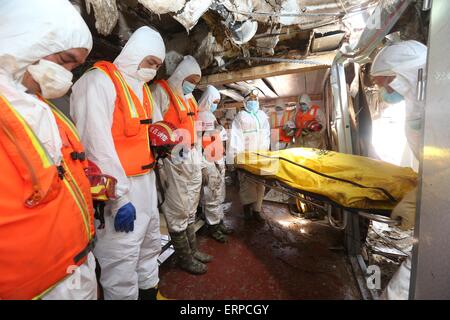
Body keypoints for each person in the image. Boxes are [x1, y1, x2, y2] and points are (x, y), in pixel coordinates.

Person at [0, 0, 97, 300]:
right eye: (64, 60)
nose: (67, 75)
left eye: (74, 67)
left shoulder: (40, 107)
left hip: (75, 270)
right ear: (29, 39)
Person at [70, 26, 166, 300]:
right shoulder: (99, 82)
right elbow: (95, 143)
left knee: (149, 248)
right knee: (121, 260)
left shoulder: (144, 89)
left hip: (146, 183)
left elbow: (155, 130)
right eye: (150, 62)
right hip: (118, 187)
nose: (153, 70)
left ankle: (148, 294)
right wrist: (119, 198)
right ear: (135, 53)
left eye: (158, 66)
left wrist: (164, 140)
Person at [370, 40, 428, 300]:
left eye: (384, 82)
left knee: (423, 263)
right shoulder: (418, 97)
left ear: (403, 73)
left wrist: (419, 197)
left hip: (440, 191)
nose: (382, 90)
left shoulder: (439, 97)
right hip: (436, 186)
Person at [151, 56, 212, 275]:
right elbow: (154, 130)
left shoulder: (190, 99)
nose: (193, 85)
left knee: (190, 207)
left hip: (191, 157)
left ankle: (192, 250)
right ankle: (184, 257)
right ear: (180, 74)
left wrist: (201, 162)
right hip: (173, 160)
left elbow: (195, 130)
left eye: (196, 82)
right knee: (177, 208)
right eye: (191, 79)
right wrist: (164, 164)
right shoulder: (161, 91)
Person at [197, 85, 233, 242]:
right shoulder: (200, 116)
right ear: (207, 99)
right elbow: (199, 143)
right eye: (214, 101)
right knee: (211, 197)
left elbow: (215, 139)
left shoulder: (210, 115)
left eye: (217, 101)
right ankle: (213, 227)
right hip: (208, 161)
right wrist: (203, 166)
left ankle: (219, 222)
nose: (215, 104)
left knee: (218, 195)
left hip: (216, 160)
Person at [228, 88, 271, 221]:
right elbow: (235, 138)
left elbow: (266, 136)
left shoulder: (263, 116)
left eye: (255, 99)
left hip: (260, 156)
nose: (253, 101)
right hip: (245, 156)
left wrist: (264, 153)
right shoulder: (240, 117)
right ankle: (247, 211)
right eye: (250, 99)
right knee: (247, 185)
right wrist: (235, 158)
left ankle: (257, 211)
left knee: (260, 185)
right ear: (245, 101)